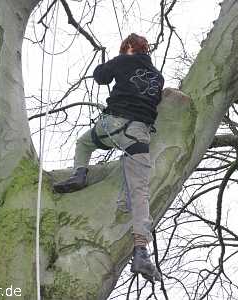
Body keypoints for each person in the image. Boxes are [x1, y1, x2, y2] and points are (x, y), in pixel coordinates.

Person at [53, 33, 164, 282]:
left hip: (112, 126)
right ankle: (141, 251)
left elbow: (100, 76)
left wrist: (108, 63)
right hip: (138, 136)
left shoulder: (123, 60)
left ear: (129, 48)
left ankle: (80, 174)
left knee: (84, 143)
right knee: (140, 193)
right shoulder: (158, 77)